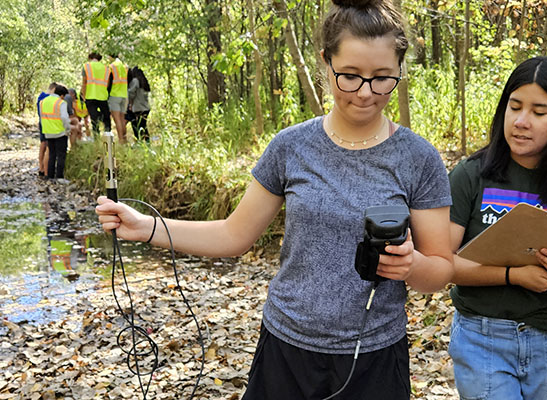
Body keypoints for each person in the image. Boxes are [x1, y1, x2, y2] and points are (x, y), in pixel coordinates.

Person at [97, 1, 453, 398]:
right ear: (325, 62)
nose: (366, 92)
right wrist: (144, 227)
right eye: (350, 76)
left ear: (399, 70)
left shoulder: (419, 158)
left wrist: (411, 264)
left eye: (382, 77)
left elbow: (439, 271)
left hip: (374, 357)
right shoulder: (291, 147)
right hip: (287, 350)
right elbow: (234, 235)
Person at [447, 56, 547, 400]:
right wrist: (513, 275)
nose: (521, 121)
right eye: (514, 107)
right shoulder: (471, 175)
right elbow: (445, 264)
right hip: (482, 335)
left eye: (539, 112)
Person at [39, 84, 70, 181]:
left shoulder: (42, 102)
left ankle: (50, 176)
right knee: (61, 155)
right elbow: (64, 118)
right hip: (60, 132)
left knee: (52, 154)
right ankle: (60, 177)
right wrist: (67, 129)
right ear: (62, 95)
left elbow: (41, 116)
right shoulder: (61, 103)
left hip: (48, 132)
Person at [81, 52, 111, 136]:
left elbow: (84, 83)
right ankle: (108, 137)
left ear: (90, 58)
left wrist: (83, 95)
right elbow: (107, 84)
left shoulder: (86, 66)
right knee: (106, 118)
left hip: (90, 96)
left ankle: (96, 138)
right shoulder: (106, 68)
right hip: (103, 96)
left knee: (94, 119)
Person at [36, 82, 57, 178]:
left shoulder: (40, 97)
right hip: (49, 124)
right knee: (48, 147)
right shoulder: (48, 98)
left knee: (43, 144)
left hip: (42, 122)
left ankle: (41, 168)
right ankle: (46, 171)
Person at [107, 53, 129, 144]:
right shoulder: (124, 66)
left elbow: (108, 82)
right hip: (124, 94)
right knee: (122, 118)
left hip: (115, 94)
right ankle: (124, 139)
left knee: (117, 120)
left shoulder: (111, 67)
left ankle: (120, 141)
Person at [127, 66, 151, 142]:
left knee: (136, 126)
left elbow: (131, 93)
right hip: (146, 108)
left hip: (138, 108)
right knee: (143, 126)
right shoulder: (144, 82)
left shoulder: (135, 81)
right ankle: (147, 142)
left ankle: (139, 141)